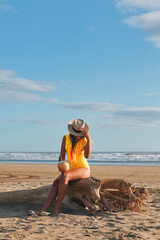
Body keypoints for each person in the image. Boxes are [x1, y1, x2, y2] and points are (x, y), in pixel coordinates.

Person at [39, 118, 91, 215]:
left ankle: (57, 208)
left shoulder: (85, 139)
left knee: (65, 176)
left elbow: (87, 156)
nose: (77, 136)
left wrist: (88, 138)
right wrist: (61, 165)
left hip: (83, 168)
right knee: (56, 182)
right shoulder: (66, 138)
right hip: (70, 168)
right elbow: (62, 155)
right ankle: (44, 209)